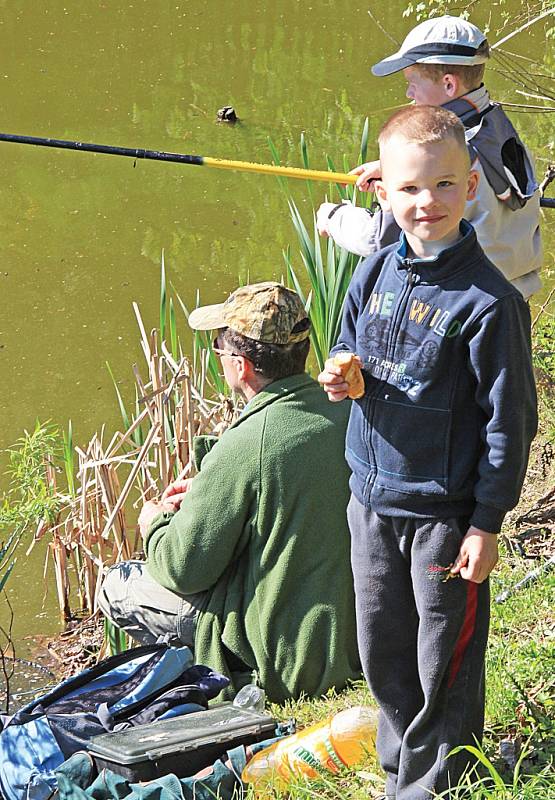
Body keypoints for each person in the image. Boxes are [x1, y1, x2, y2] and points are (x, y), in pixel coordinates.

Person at [318, 106, 537, 799]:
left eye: (444, 185)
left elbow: (511, 423)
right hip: (371, 501)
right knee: (383, 652)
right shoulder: (374, 271)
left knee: (442, 659)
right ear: (381, 192)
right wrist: (339, 374)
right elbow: (345, 350)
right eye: (410, 189)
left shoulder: (489, 303)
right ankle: (399, 772)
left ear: (470, 186)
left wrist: (486, 522)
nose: (428, 203)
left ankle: (437, 784)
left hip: (444, 514)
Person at [99, 281, 361, 703]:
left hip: (291, 663)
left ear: (242, 367)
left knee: (117, 585)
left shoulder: (246, 444)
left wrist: (156, 523)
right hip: (356, 641)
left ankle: (202, 683)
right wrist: (209, 487)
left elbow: (183, 569)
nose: (217, 356)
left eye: (219, 348)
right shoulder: (347, 411)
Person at [317, 15, 542, 299]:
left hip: (464, 299)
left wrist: (334, 217)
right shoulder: (493, 125)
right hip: (512, 290)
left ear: (449, 85)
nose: (408, 92)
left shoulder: (451, 151)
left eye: (413, 81)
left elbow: (382, 238)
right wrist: (400, 171)